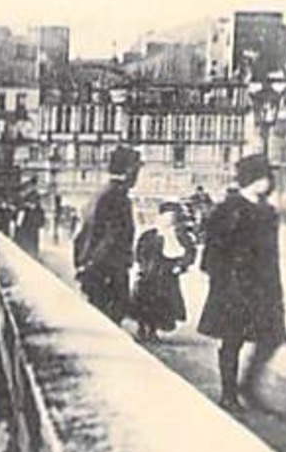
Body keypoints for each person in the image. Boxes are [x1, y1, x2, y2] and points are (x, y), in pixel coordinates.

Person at [198, 154, 286, 412]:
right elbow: (212, 252)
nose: (270, 182)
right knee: (232, 340)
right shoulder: (229, 209)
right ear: (253, 180)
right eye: (266, 177)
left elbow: (271, 255)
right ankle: (228, 394)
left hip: (264, 286)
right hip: (233, 286)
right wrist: (223, 281)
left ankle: (248, 385)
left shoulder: (268, 211)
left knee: (272, 338)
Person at [73, 144, 142, 323]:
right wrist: (96, 265)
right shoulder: (117, 197)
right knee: (109, 319)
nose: (137, 176)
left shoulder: (102, 193)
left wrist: (83, 263)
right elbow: (112, 237)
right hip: (108, 271)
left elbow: (81, 235)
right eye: (136, 170)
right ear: (128, 171)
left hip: (99, 268)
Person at [130, 201, 196, 341]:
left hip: (166, 275)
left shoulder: (180, 236)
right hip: (149, 273)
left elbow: (189, 253)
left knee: (160, 303)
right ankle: (143, 327)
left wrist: (180, 266)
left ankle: (152, 329)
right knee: (145, 301)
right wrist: (142, 264)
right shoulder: (149, 235)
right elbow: (139, 252)